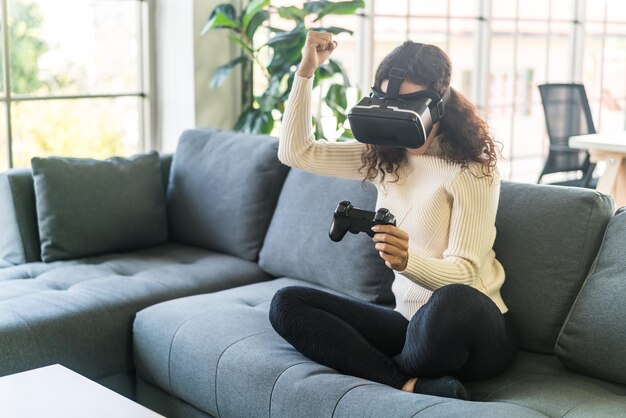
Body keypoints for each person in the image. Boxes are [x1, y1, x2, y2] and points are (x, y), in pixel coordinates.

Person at [268, 30, 517, 400]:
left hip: (474, 329)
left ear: (440, 103)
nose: (399, 117)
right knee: (287, 303)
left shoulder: (471, 170)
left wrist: (407, 262)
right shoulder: (385, 157)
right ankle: (406, 382)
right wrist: (306, 72)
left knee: (452, 301)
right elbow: (296, 153)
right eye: (390, 103)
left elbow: (465, 273)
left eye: (410, 104)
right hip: (410, 324)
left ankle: (383, 365)